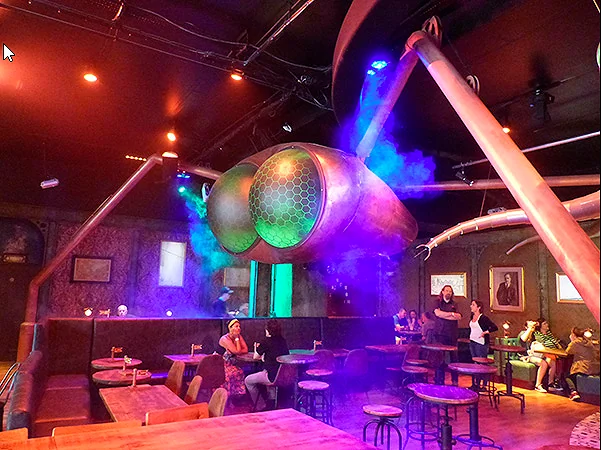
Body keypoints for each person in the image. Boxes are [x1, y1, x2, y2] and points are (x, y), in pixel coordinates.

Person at [244, 319, 290, 410]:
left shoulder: (265, 341)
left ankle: (260, 406)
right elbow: (282, 356)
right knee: (271, 379)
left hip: (271, 376)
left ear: (267, 330)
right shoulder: (283, 341)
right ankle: (272, 404)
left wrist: (257, 350)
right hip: (284, 376)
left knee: (248, 380)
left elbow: (255, 357)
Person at [433, 285, 462, 384]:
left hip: (452, 334)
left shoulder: (455, 304)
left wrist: (444, 314)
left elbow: (459, 316)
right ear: (442, 292)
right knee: (440, 358)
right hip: (440, 334)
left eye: (450, 291)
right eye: (446, 290)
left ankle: (455, 380)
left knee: (454, 358)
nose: (448, 292)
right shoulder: (437, 302)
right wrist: (451, 314)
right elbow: (437, 314)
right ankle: (439, 380)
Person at [518, 320, 554, 393]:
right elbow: (523, 339)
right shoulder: (523, 333)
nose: (532, 326)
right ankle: (538, 385)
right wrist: (530, 328)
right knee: (543, 363)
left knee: (552, 361)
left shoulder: (534, 334)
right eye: (530, 324)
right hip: (525, 356)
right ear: (526, 327)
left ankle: (550, 384)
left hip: (536, 354)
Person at [565, 327, 596, 401]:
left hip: (581, 367)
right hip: (591, 367)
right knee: (573, 375)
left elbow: (568, 351)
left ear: (573, 335)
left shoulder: (575, 343)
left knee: (567, 377)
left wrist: (572, 341)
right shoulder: (588, 342)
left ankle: (573, 392)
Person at [219, 319, 248, 396]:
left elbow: (245, 349)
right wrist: (237, 339)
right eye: (236, 326)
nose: (239, 328)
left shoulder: (238, 336)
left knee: (239, 371)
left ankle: (236, 396)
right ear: (230, 328)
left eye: (239, 326)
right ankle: (227, 396)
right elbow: (237, 351)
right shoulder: (225, 339)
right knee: (234, 372)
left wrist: (237, 339)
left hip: (232, 364)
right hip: (221, 365)